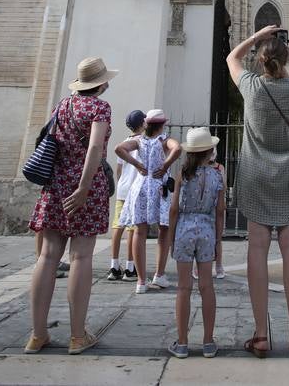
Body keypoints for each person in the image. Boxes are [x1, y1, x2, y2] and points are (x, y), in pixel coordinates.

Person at [226, 25, 289, 359]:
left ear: (260, 60)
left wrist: (257, 35)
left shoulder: (251, 88)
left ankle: (261, 335)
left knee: (256, 249)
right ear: (286, 58)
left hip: (254, 175)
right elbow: (285, 75)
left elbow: (231, 57)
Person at [26, 56, 116, 355]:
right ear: (102, 83)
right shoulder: (100, 107)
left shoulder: (63, 105)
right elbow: (93, 147)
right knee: (81, 258)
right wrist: (83, 187)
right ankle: (77, 336)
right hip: (84, 189)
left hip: (54, 186)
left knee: (48, 256)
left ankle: (38, 334)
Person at [168, 127, 225, 360]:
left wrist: (171, 237)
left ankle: (182, 343)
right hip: (207, 230)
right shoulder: (217, 175)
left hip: (184, 228)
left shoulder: (183, 173)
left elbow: (173, 210)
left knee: (183, 288)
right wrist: (218, 238)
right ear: (210, 151)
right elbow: (220, 210)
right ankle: (208, 342)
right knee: (207, 287)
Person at [115, 109, 181, 293]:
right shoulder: (164, 140)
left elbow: (118, 148)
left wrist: (137, 164)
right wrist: (166, 165)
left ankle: (141, 282)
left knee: (139, 231)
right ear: (162, 124)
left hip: (141, 186)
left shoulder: (139, 141)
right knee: (163, 229)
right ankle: (159, 274)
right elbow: (178, 148)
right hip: (159, 187)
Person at [107, 109, 146, 281]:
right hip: (135, 190)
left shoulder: (124, 142)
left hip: (123, 188)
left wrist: (121, 183)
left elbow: (119, 169)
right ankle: (130, 268)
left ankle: (114, 266)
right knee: (132, 229)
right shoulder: (142, 142)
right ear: (143, 123)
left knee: (117, 226)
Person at [192, 146, 226, 280]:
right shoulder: (196, 168)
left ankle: (219, 265)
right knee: (199, 237)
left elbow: (223, 185)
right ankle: (197, 266)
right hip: (203, 206)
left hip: (215, 205)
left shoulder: (219, 168)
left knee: (218, 237)